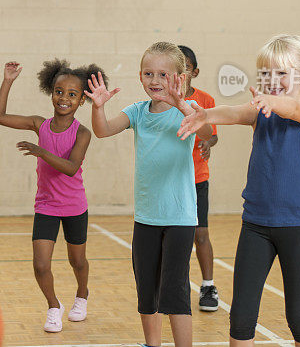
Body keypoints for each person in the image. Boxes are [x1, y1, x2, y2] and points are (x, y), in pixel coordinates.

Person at [178, 34, 300, 347]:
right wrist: (204, 115)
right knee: (241, 317)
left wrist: (271, 102)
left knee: (299, 317)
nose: (272, 80)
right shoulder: (259, 112)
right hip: (256, 228)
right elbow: (233, 112)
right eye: (266, 74)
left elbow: (291, 108)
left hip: (298, 229)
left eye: (281, 73)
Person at [86, 42, 213, 347]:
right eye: (148, 73)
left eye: (163, 74)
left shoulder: (188, 112)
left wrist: (186, 108)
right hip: (146, 217)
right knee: (147, 289)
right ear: (139, 76)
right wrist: (98, 106)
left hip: (180, 218)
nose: (155, 80)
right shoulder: (138, 112)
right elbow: (102, 130)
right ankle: (151, 344)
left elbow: (208, 134)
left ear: (179, 78)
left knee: (175, 291)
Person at [0, 58, 104, 333]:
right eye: (59, 91)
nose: (64, 98)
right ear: (51, 92)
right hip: (46, 206)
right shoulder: (38, 124)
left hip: (75, 206)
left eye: (72, 94)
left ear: (82, 101)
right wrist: (8, 80)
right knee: (41, 265)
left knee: (77, 261)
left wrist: (42, 152)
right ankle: (54, 306)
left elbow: (70, 167)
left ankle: (82, 294)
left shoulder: (83, 133)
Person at [178, 45, 220, 312]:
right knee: (173, 236)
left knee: (200, 234)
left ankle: (208, 285)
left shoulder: (205, 100)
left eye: (186, 67)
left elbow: (213, 134)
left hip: (196, 177)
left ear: (194, 71)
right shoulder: (160, 100)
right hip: (171, 179)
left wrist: (208, 143)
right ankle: (175, 284)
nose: (181, 72)